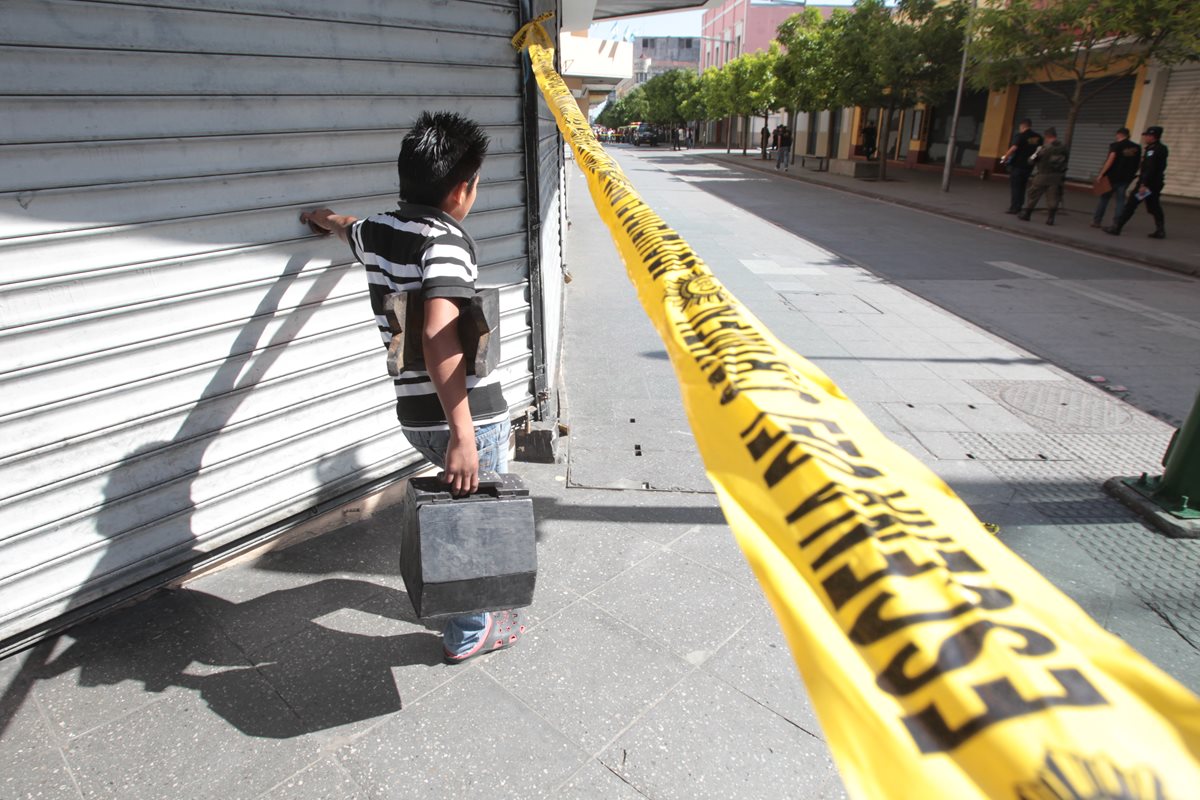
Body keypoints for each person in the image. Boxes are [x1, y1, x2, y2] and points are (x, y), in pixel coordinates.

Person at [300, 111, 523, 665]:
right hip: (464, 418)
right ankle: (471, 628)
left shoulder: (380, 229)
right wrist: (464, 434)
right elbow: (439, 330)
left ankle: (470, 608)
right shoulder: (446, 241)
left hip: (414, 416)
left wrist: (319, 217)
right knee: (472, 520)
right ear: (460, 189)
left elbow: (345, 224)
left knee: (459, 508)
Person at [1106, 126, 1169, 239]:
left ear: (1152, 136)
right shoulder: (1162, 148)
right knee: (1154, 206)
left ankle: (1117, 227)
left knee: (1131, 204)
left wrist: (1143, 184)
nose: (1145, 138)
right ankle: (1160, 230)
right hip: (1155, 184)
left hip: (1147, 185)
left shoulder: (1153, 150)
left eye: (1147, 136)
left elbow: (1149, 168)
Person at [1017, 126, 1069, 225]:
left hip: (1042, 176)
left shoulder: (1043, 148)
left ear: (1046, 136)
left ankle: (1027, 214)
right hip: (1056, 177)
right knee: (1053, 197)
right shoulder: (1063, 148)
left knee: (1033, 195)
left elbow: (1031, 160)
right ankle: (1050, 218)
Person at [1091, 127, 1140, 228]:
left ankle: (1097, 221)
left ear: (1119, 134)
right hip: (1126, 178)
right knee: (1120, 200)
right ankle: (1117, 222)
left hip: (1112, 177)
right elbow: (1138, 163)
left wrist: (1101, 174)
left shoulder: (1116, 145)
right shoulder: (1137, 148)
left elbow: (1110, 160)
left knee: (1104, 199)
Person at [1002, 119, 1042, 215]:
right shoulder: (1038, 137)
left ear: (1022, 126)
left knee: (1016, 186)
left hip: (1018, 165)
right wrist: (1032, 159)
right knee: (1023, 186)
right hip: (1028, 166)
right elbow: (1039, 150)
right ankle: (1020, 205)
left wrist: (1004, 158)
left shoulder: (1021, 136)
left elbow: (1013, 148)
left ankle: (1014, 207)